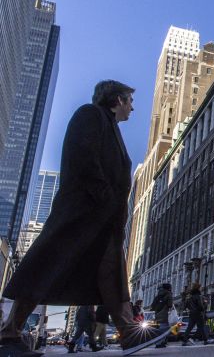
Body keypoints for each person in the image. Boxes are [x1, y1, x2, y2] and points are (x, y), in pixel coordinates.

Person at [0, 81, 167, 357]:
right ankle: (9, 333)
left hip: (105, 221)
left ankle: (128, 332)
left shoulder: (111, 127)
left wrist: (114, 213)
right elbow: (84, 156)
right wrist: (103, 197)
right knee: (47, 267)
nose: (133, 107)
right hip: (81, 212)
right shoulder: (90, 114)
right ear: (117, 99)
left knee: (112, 275)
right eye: (129, 101)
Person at [151, 283, 173, 348]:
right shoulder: (168, 294)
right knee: (165, 329)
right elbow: (170, 304)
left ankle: (159, 342)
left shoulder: (158, 295)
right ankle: (160, 343)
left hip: (157, 314)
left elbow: (153, 305)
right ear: (169, 288)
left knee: (159, 329)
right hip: (164, 314)